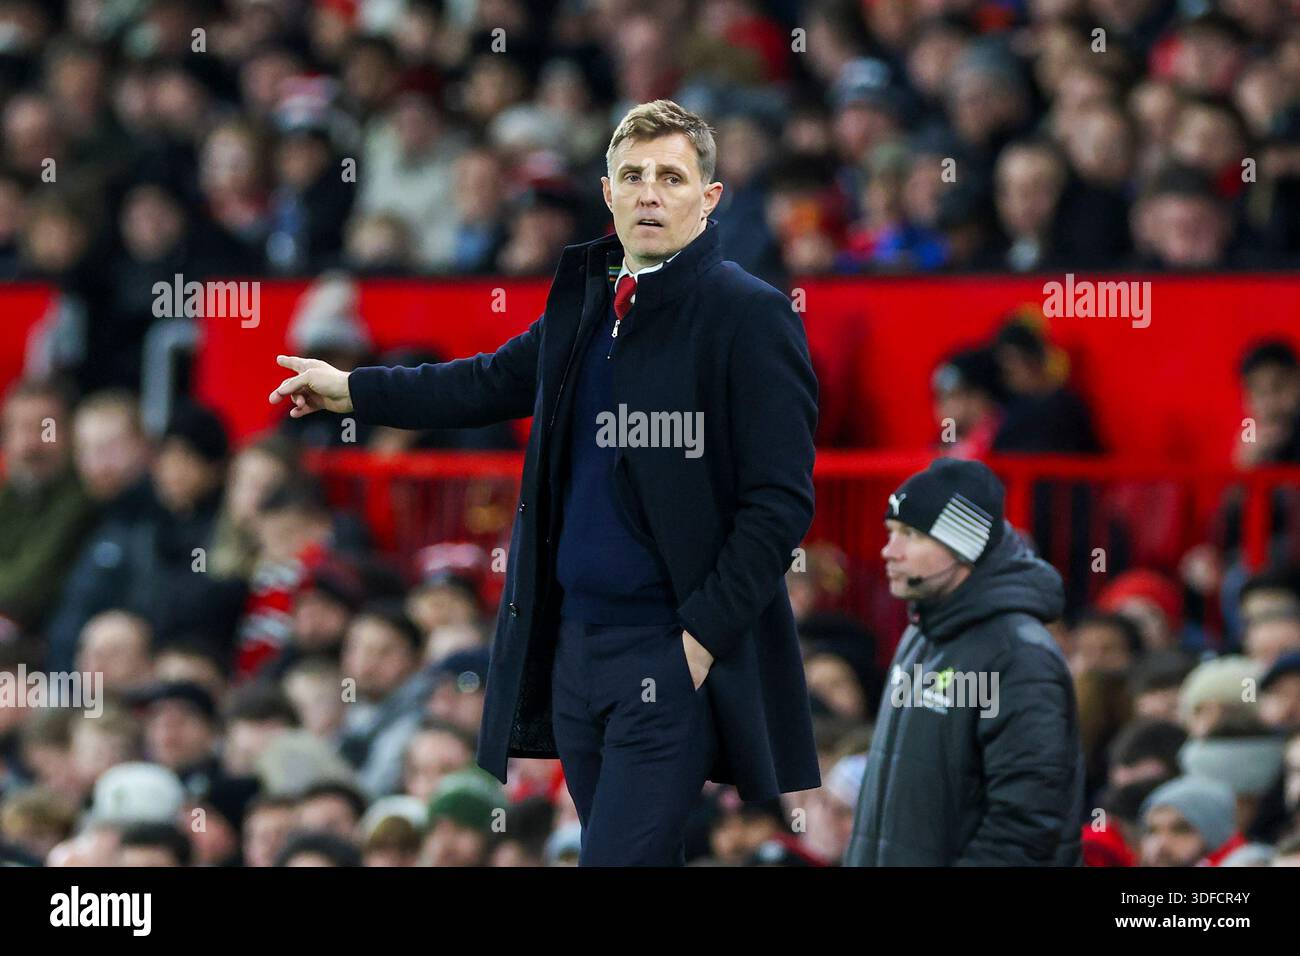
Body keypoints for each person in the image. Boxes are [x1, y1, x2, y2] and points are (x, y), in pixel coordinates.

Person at [269, 99, 820, 865]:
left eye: (671, 176)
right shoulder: (587, 300)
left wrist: (698, 642)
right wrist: (356, 390)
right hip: (574, 647)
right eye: (633, 176)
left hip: (666, 652)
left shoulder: (750, 315)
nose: (650, 193)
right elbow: (486, 382)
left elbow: (781, 502)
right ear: (608, 193)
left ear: (710, 198)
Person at [845, 458, 1084, 866]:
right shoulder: (920, 633)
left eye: (911, 535)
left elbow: (1025, 828)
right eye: (891, 532)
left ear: (965, 547)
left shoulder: (1021, 656)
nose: (889, 551)